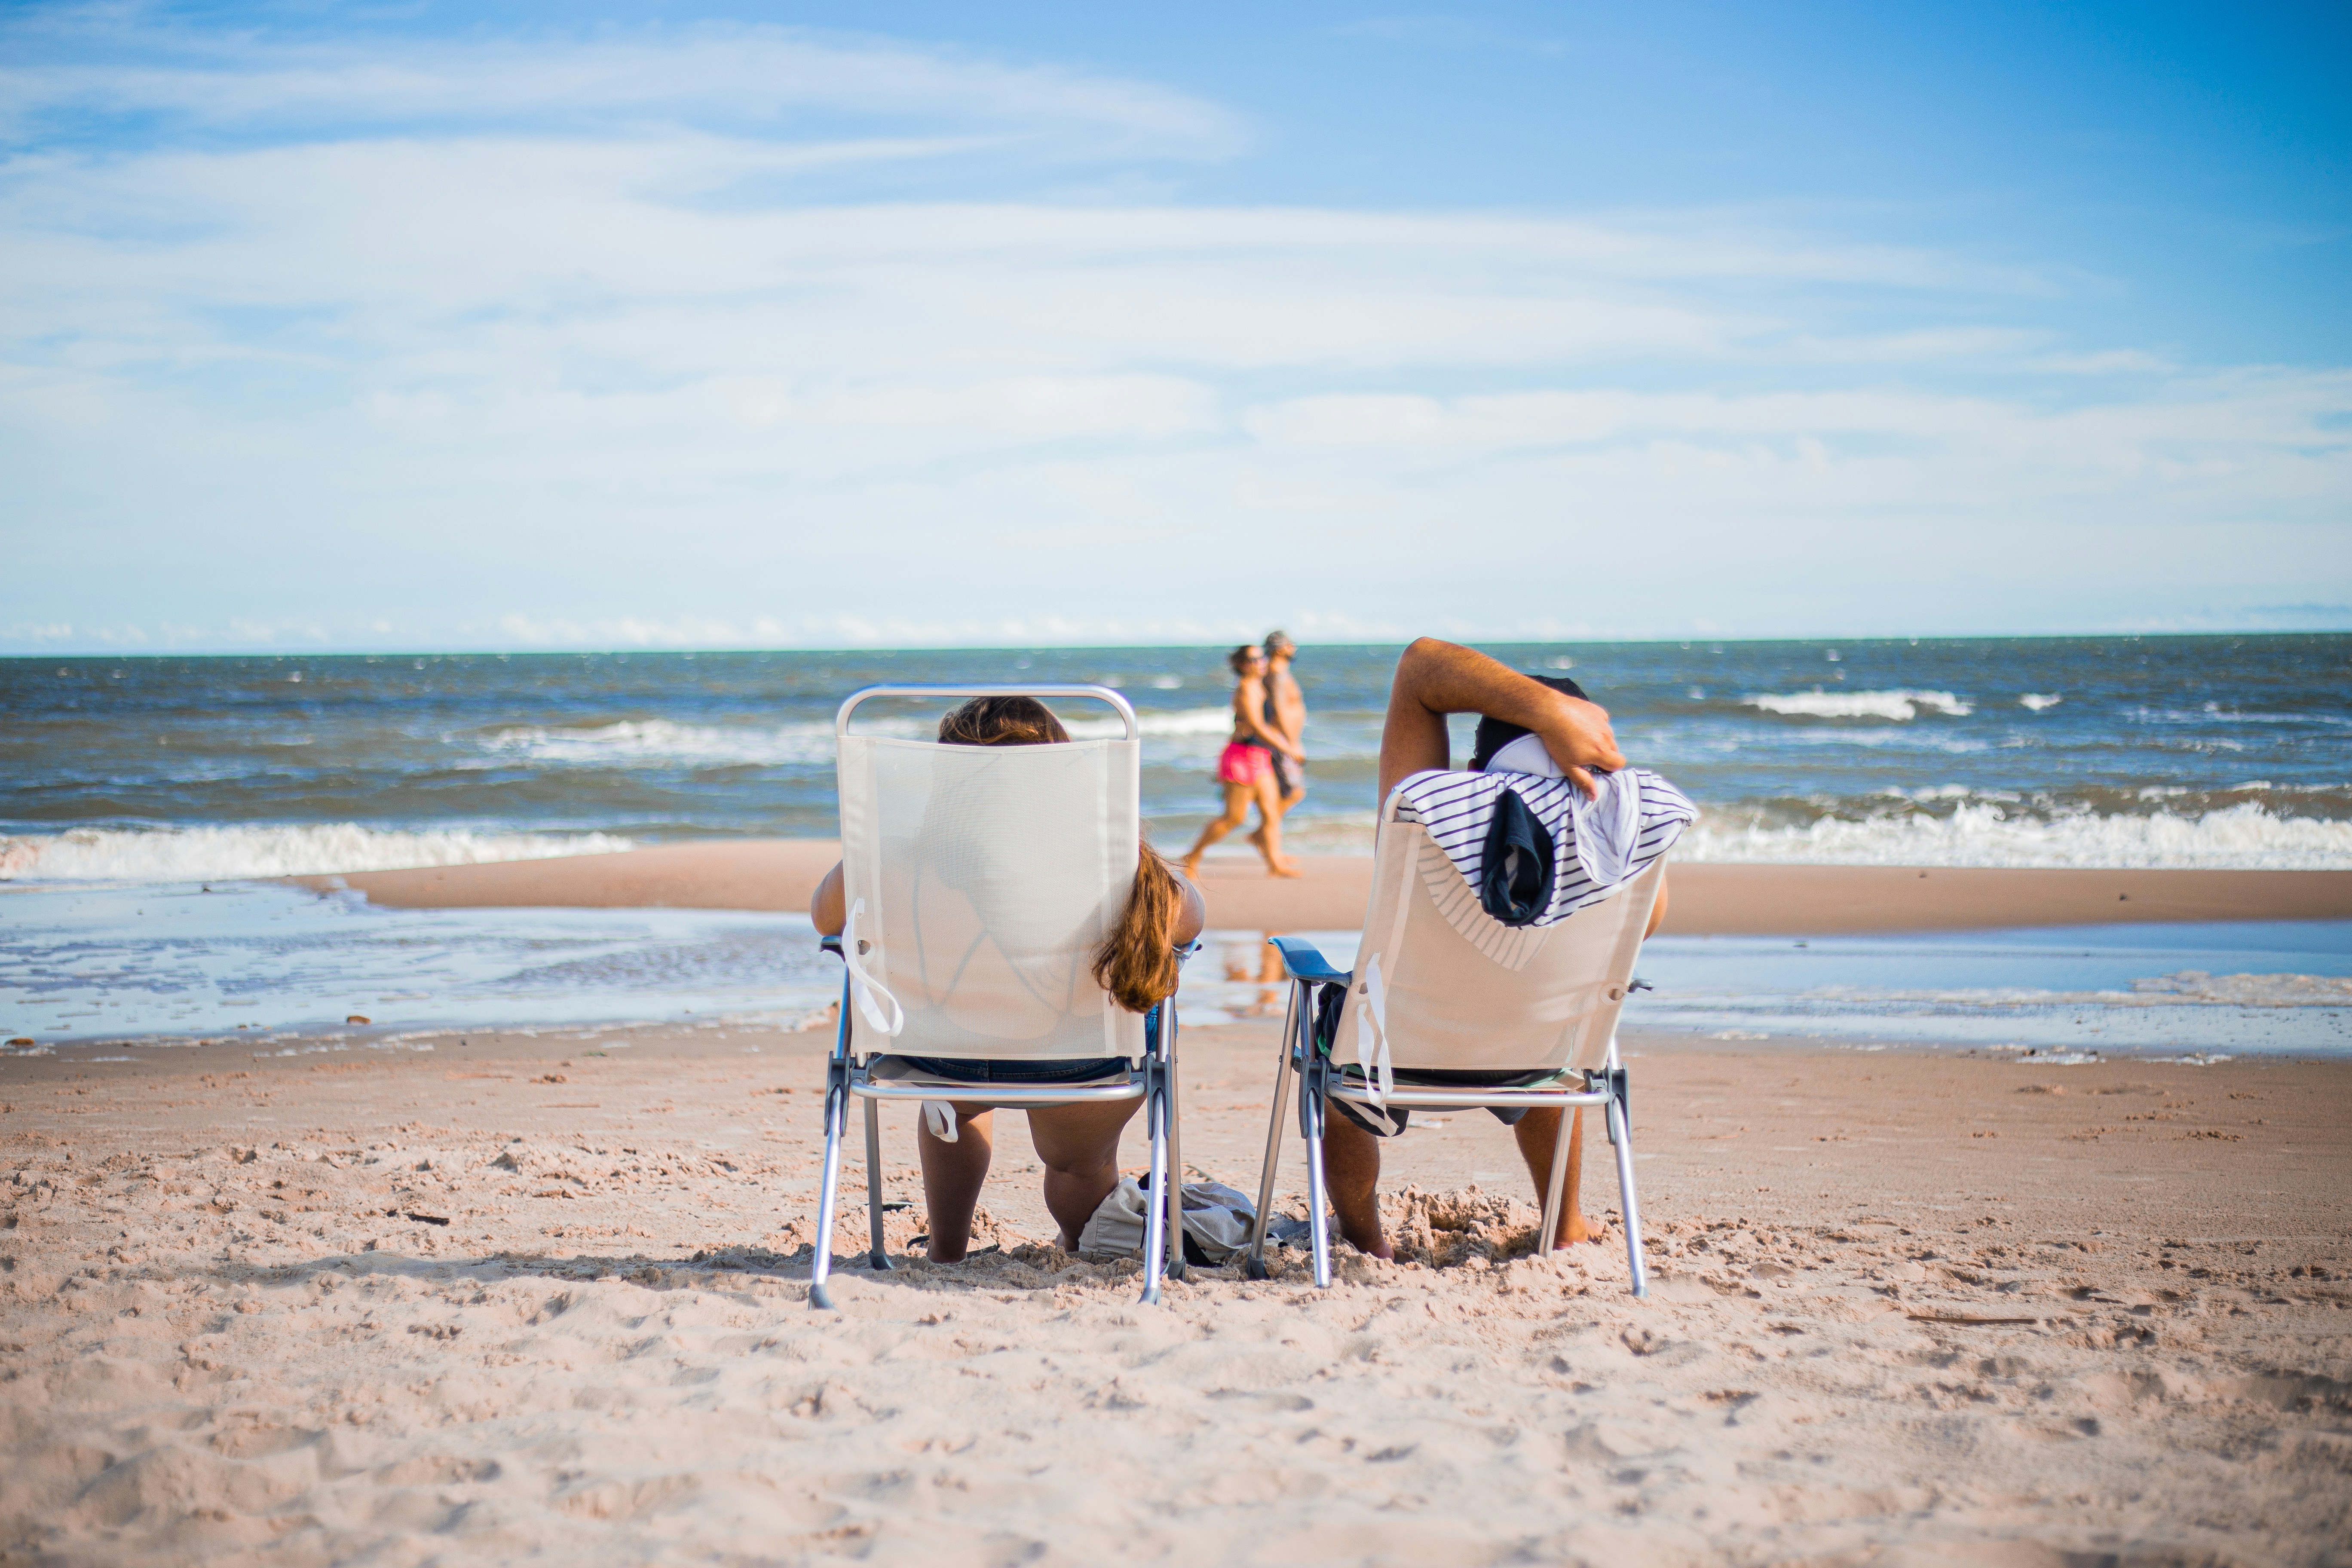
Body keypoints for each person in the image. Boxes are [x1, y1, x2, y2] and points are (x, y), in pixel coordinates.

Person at [810, 696, 1206, 1262]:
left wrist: (868, 856)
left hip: (945, 1057)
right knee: (1077, 1163)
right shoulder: (1114, 863)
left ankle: (946, 1249)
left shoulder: (898, 860)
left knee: (951, 1108)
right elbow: (1189, 924)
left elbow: (826, 919)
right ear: (1064, 778)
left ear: (948, 779)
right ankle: (1077, 1244)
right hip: (1081, 1063)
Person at [1321, 637, 1673, 1261]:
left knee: (1337, 1051)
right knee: (1555, 1011)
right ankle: (1565, 1223)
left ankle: (1365, 1241)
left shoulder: (1426, 813)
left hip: (1394, 1055)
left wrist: (1545, 713)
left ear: (1478, 771)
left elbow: (1421, 667)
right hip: (1537, 1054)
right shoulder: (1621, 841)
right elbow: (1642, 927)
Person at [1180, 644, 1304, 879]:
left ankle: (1275, 865)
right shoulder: (1246, 689)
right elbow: (1257, 726)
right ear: (1242, 665)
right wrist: (1287, 748)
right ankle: (1192, 856)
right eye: (1255, 659)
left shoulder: (1260, 686)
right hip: (1241, 758)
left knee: (1271, 813)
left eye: (1262, 658)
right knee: (1234, 818)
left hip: (1260, 756)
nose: (1261, 662)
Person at [1262, 631, 1308, 826]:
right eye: (1291, 644)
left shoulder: (1277, 672)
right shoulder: (1277, 673)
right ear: (1280, 649)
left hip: (1283, 740)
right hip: (1283, 741)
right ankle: (1264, 833)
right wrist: (1293, 744)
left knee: (1284, 794)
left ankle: (1267, 838)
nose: (1294, 648)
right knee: (1294, 792)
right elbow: (1279, 710)